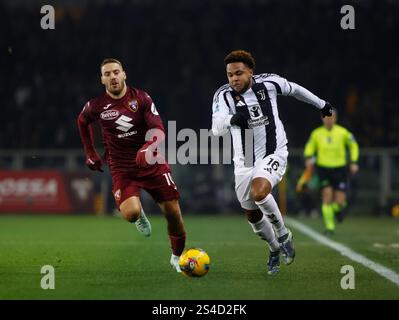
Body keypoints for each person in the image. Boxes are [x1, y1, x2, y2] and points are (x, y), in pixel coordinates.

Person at [211, 50, 333, 274]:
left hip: (273, 152)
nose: (234, 79)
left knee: (260, 192)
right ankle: (274, 248)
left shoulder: (269, 83)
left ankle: (284, 234)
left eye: (239, 73)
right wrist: (231, 119)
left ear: (250, 71)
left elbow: (295, 89)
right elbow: (216, 127)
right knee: (252, 216)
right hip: (244, 161)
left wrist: (321, 104)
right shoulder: (223, 96)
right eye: (230, 75)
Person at [77, 58, 186, 272]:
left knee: (173, 213)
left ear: (124, 74)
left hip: (151, 163)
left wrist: (149, 146)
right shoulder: (96, 105)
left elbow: (159, 128)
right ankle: (139, 213)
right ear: (102, 79)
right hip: (122, 168)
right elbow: (82, 121)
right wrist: (90, 152)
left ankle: (176, 257)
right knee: (131, 213)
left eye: (116, 72)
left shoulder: (141, 98)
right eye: (107, 74)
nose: (113, 77)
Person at [302, 108, 359, 235]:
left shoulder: (343, 132)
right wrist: (308, 157)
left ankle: (337, 210)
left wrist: (354, 162)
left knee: (340, 201)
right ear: (322, 118)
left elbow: (353, 145)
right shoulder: (316, 133)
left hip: (340, 169)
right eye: (326, 117)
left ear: (335, 118)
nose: (329, 120)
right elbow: (310, 146)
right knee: (327, 197)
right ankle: (330, 228)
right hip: (323, 169)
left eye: (331, 117)